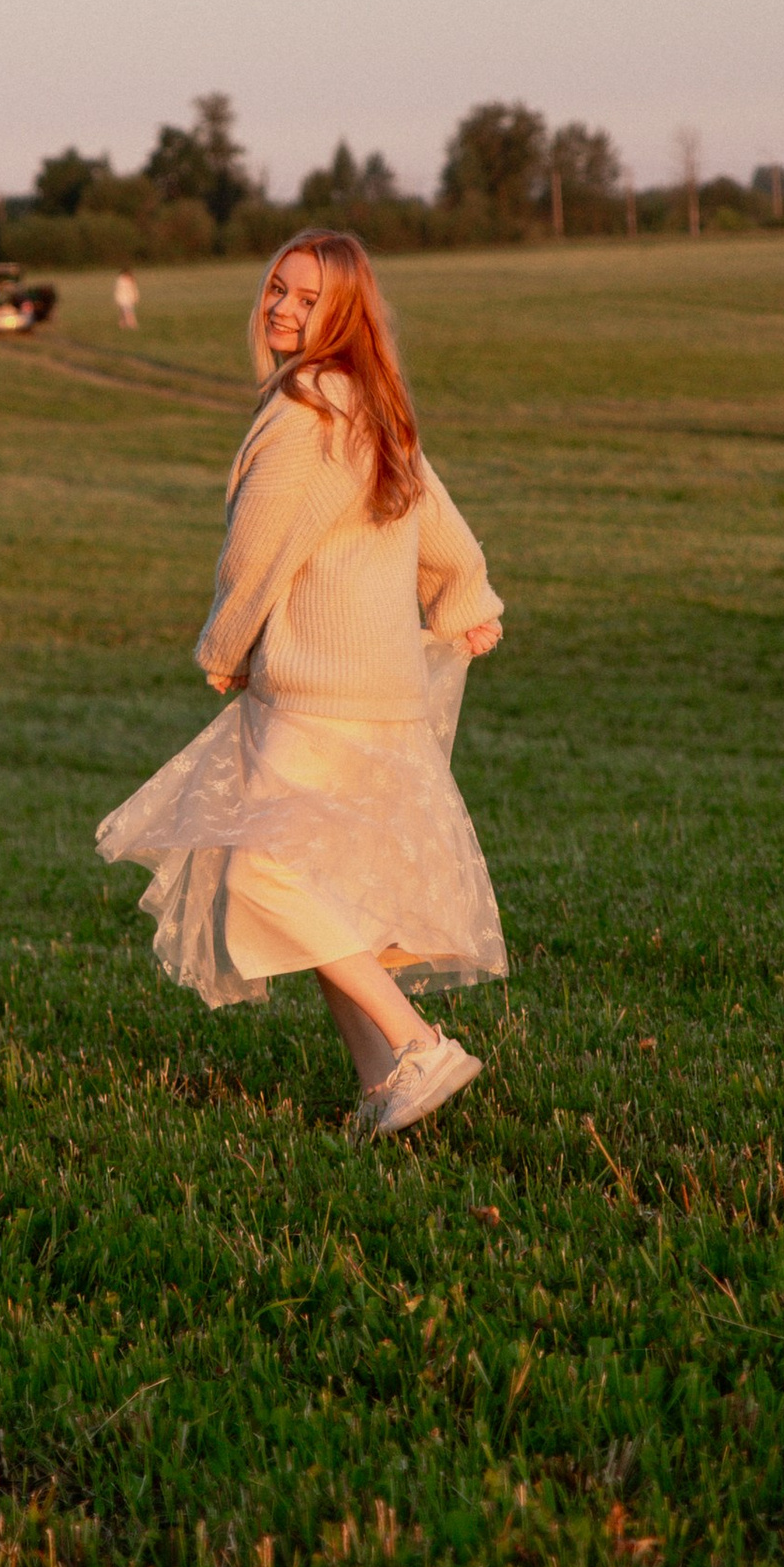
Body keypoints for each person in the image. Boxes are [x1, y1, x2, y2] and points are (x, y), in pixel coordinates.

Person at [96, 229, 505, 1137]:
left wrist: (223, 648)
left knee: (260, 879)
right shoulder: (372, 404)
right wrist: (466, 601)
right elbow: (448, 541)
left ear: (343, 314)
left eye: (306, 298)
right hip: (382, 695)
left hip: (315, 697)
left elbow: (255, 557)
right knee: (325, 898)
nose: (282, 308)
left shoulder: (306, 408)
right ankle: (380, 1087)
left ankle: (416, 1043)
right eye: (277, 289)